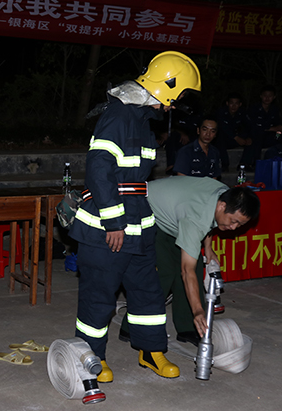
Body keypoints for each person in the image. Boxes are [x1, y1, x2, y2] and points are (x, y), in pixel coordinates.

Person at [69, 51, 201, 382]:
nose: (176, 103)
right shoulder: (119, 117)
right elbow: (100, 172)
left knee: (148, 293)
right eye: (179, 94)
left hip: (139, 229)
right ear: (167, 86)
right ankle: (91, 356)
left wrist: (141, 227)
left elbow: (134, 181)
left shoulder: (140, 121)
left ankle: (151, 350)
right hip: (107, 231)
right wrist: (113, 223)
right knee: (100, 298)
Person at [120, 178, 260, 345]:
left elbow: (210, 221)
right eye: (233, 221)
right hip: (146, 213)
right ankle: (131, 327)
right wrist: (198, 310)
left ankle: (187, 327)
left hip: (177, 215)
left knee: (196, 262)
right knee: (164, 273)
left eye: (240, 224)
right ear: (222, 206)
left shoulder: (224, 194)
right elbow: (187, 271)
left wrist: (208, 246)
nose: (234, 228)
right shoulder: (196, 217)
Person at [242, 85, 282, 169]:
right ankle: (251, 163)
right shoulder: (254, 108)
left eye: (270, 96)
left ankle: (278, 164)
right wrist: (270, 128)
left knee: (280, 137)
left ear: (274, 97)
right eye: (265, 95)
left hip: (269, 137)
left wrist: (276, 129)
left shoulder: (275, 109)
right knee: (256, 136)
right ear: (261, 96)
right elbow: (254, 126)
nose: (267, 98)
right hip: (254, 136)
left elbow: (280, 126)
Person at [214, 92, 249, 171]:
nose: (233, 106)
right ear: (227, 103)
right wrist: (235, 137)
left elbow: (249, 126)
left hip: (237, 139)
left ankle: (244, 164)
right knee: (220, 136)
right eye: (231, 103)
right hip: (224, 141)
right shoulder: (221, 112)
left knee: (253, 138)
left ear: (240, 104)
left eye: (236, 103)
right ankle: (224, 164)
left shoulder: (242, 113)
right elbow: (222, 127)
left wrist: (248, 137)